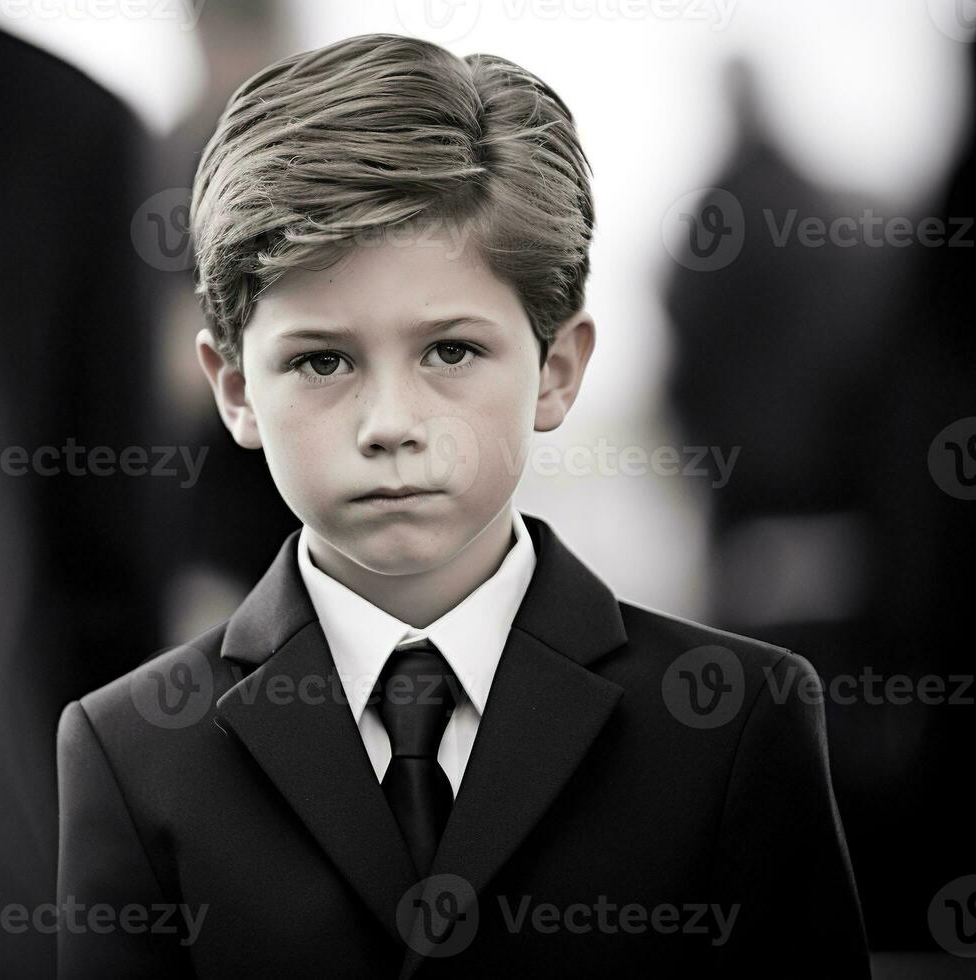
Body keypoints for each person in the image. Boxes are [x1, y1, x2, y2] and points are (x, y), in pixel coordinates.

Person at [55, 34, 869, 978]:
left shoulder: (737, 726)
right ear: (233, 387)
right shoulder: (130, 751)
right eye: (322, 361)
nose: (391, 425)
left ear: (556, 370)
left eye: (450, 351)